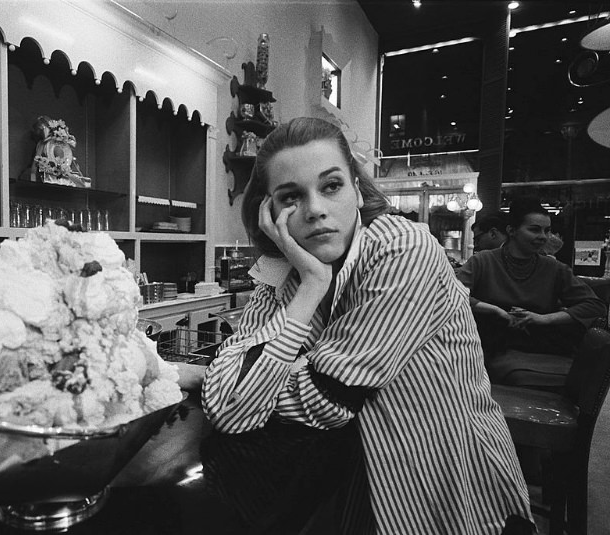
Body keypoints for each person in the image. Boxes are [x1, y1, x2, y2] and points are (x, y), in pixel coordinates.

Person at [201, 117, 532, 534]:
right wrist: (311, 286)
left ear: (357, 189)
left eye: (331, 185)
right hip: (356, 480)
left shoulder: (403, 247)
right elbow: (234, 410)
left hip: (447, 484)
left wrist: (262, 375)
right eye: (290, 197)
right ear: (268, 212)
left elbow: (326, 400)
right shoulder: (286, 270)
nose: (315, 209)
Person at [457, 197, 604, 361]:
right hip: (484, 344)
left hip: (537, 345)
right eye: (534, 230)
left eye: (546, 230)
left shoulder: (554, 268)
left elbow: (594, 306)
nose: (543, 237)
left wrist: (545, 319)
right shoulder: (483, 260)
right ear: (511, 230)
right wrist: (495, 310)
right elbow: (453, 296)